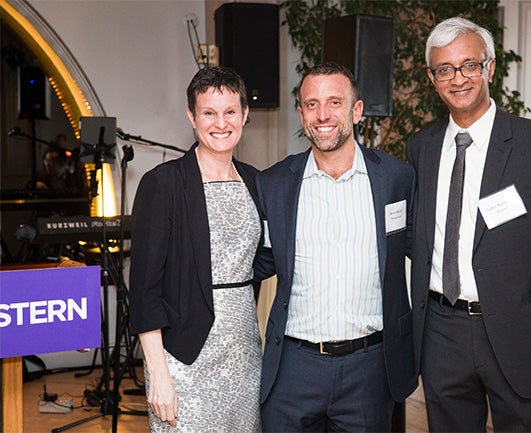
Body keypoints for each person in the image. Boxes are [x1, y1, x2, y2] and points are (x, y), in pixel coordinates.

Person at [407, 17, 531, 432]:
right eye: (445, 69)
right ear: (432, 78)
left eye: (469, 65)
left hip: (519, 332)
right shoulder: (421, 146)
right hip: (441, 330)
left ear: (489, 68)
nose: (458, 79)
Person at [256, 62, 417, 432]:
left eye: (334, 102)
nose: (322, 115)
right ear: (300, 113)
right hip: (293, 368)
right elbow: (256, 262)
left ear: (356, 111)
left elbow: (424, 252)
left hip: (370, 368)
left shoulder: (397, 178)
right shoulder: (275, 183)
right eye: (311, 104)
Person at [129, 66, 266, 432]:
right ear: (192, 116)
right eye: (208, 112)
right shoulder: (163, 183)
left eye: (230, 112)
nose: (220, 123)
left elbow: (263, 262)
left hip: (244, 355)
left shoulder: (256, 181)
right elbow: (144, 289)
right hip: (183, 358)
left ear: (244, 115)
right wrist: (157, 373)